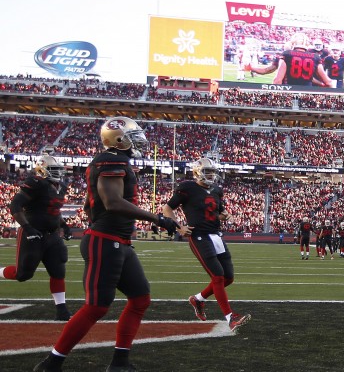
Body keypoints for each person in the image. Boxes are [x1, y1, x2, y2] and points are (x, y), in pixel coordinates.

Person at [34, 117, 179, 372]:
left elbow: (93, 205)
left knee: (140, 298)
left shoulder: (114, 160)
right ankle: (51, 363)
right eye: (132, 136)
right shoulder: (112, 160)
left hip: (118, 241)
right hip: (105, 241)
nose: (139, 140)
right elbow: (112, 202)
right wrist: (156, 217)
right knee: (97, 307)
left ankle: (119, 362)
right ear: (119, 139)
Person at [162, 157, 252, 332]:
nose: (210, 175)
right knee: (217, 276)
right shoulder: (188, 188)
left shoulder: (217, 190)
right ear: (197, 172)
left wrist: (225, 215)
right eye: (207, 172)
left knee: (228, 278)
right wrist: (179, 227)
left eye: (212, 172)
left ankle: (198, 299)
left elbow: (217, 212)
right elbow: (167, 208)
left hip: (216, 235)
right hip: (199, 236)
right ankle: (230, 317)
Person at [1, 155, 72, 321]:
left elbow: (53, 210)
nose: (58, 173)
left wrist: (64, 225)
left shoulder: (60, 186)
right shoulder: (36, 183)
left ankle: (61, 310)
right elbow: (15, 205)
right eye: (54, 170)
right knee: (23, 274)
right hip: (33, 234)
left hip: (52, 234)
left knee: (58, 270)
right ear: (42, 169)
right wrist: (27, 228)